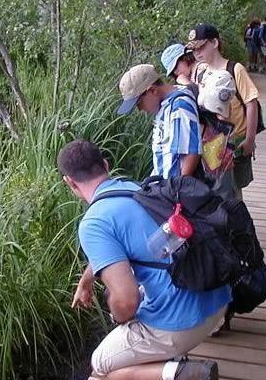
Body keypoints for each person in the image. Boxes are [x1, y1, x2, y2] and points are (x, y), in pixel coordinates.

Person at [59, 140, 231, 379]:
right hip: (218, 298)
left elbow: (126, 302)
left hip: (183, 321)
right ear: (106, 165)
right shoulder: (138, 188)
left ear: (69, 182)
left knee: (100, 366)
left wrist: (120, 319)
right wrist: (86, 281)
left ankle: (179, 372)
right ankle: (172, 365)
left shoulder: (94, 223)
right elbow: (117, 248)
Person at [185, 23, 260, 201]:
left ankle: (238, 227)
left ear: (215, 43)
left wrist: (250, 139)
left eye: (201, 47)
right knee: (214, 188)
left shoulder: (235, 69)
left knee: (234, 190)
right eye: (193, 49)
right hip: (211, 142)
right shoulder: (200, 71)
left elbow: (251, 103)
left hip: (234, 140)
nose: (197, 53)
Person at [117, 64, 202, 179]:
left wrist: (175, 189)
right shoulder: (165, 105)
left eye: (139, 104)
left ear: (153, 90)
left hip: (173, 189)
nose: (141, 110)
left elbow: (191, 153)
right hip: (163, 185)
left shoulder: (179, 108)